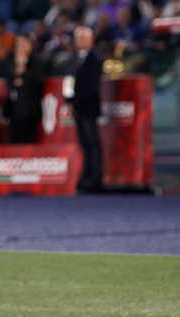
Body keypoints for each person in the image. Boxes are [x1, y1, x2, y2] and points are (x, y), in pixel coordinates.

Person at [66, 26, 104, 193]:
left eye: (84, 38)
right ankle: (86, 177)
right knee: (84, 143)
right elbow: (69, 81)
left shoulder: (95, 58)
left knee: (92, 143)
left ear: (91, 39)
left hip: (88, 107)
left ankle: (95, 178)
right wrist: (68, 101)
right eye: (78, 38)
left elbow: (91, 86)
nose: (80, 41)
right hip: (78, 107)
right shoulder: (75, 58)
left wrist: (75, 102)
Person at [5, 35, 43, 144]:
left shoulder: (36, 62)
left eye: (22, 44)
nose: (19, 47)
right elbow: (9, 81)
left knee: (28, 140)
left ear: (30, 46)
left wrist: (22, 68)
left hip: (30, 110)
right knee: (13, 140)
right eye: (17, 45)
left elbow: (35, 80)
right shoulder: (11, 62)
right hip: (14, 109)